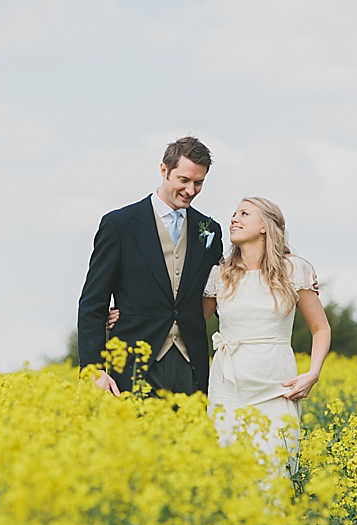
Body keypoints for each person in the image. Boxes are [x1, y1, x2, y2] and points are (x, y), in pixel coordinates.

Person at [77, 136, 224, 396]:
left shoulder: (210, 231)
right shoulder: (119, 225)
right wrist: (94, 368)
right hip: (134, 364)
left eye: (198, 183)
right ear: (164, 170)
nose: (191, 190)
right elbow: (93, 301)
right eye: (184, 180)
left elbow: (221, 292)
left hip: (191, 366)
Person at [201, 197, 331, 479]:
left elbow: (320, 329)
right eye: (234, 213)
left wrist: (313, 373)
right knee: (227, 477)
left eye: (244, 213)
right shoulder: (220, 275)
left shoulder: (294, 270)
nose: (234, 218)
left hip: (276, 384)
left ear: (265, 226)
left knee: (274, 476)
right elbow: (188, 319)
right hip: (227, 386)